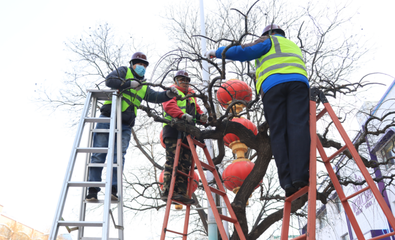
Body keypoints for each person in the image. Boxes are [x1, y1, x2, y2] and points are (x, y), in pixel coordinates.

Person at [205, 24, 310, 197]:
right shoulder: (292, 45)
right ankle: (300, 176)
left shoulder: (269, 40)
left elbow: (243, 52)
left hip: (273, 87)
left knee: (278, 132)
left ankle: (288, 181)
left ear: (268, 34)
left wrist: (218, 52)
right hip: (298, 85)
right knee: (298, 127)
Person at [86, 52, 179, 201]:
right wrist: (128, 84)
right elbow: (109, 81)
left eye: (144, 65)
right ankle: (92, 190)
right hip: (108, 118)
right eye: (139, 64)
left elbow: (155, 97)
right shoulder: (124, 72)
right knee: (98, 154)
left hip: (125, 125)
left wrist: (168, 94)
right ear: (132, 64)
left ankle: (113, 189)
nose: (141, 67)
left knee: (118, 157)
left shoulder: (143, 87)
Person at [161, 70, 207, 204]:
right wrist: (181, 115)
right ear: (176, 80)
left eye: (187, 80)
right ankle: (168, 191)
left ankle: (181, 192)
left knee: (185, 163)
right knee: (173, 160)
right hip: (173, 129)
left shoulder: (191, 95)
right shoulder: (172, 91)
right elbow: (169, 106)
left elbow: (197, 110)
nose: (185, 82)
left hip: (188, 132)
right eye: (182, 79)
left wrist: (202, 117)